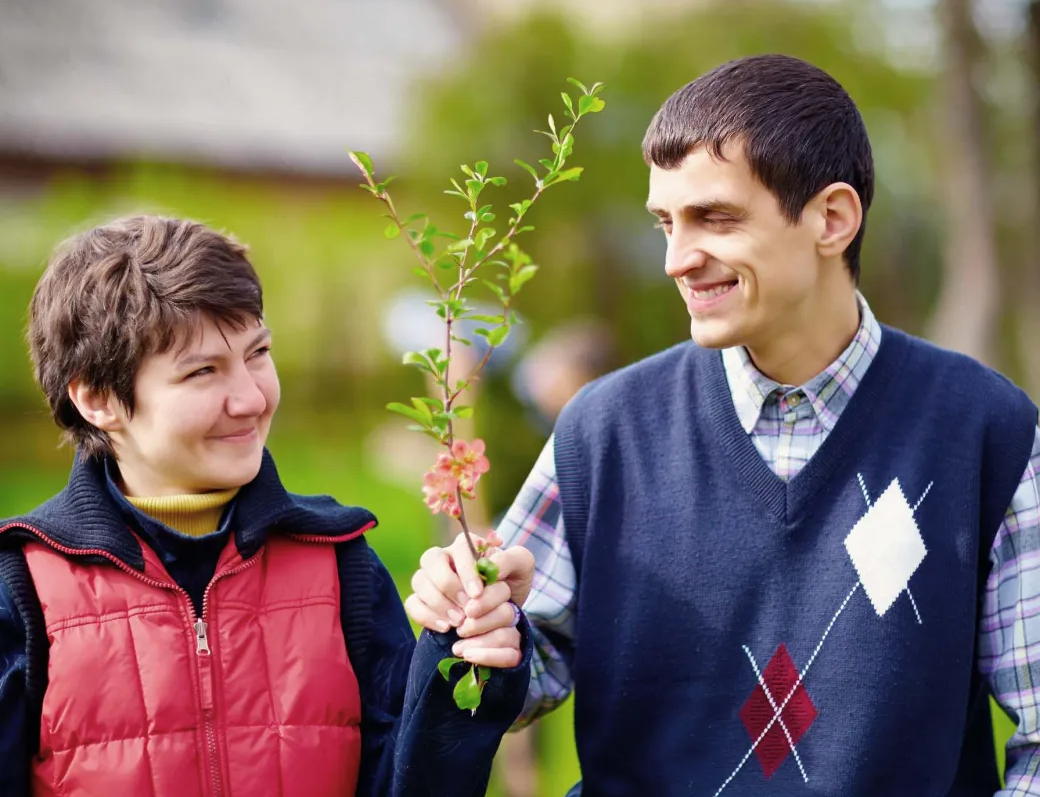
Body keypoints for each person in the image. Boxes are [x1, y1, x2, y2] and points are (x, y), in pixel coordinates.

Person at [404, 54, 1040, 795]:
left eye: (716, 218)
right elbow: (523, 672)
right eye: (665, 223)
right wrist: (480, 618)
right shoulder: (606, 431)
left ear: (831, 219)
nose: (677, 259)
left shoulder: (985, 430)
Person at [0, 215, 532, 796]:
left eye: (258, 353)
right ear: (97, 398)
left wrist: (462, 650)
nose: (251, 398)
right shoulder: (21, 588)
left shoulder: (341, 563)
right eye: (202, 371)